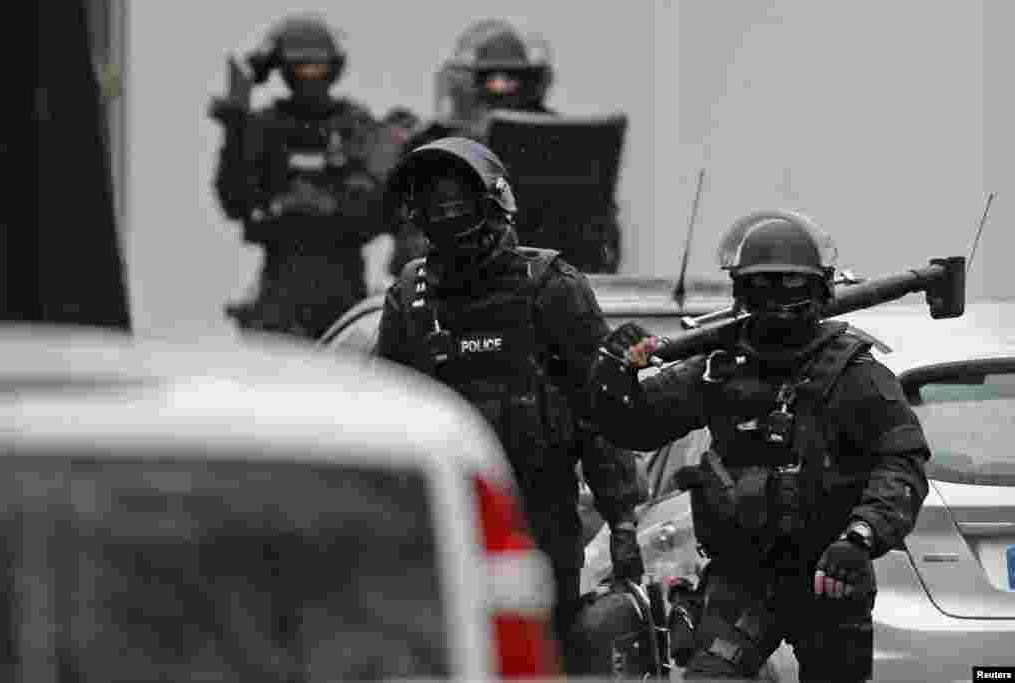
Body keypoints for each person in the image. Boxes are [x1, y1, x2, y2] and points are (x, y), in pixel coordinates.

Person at [590, 210, 931, 682]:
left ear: (819, 289)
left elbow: (903, 463)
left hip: (828, 576)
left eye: (790, 284)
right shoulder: (718, 369)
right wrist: (613, 369)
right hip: (742, 581)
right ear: (740, 292)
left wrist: (861, 537)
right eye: (761, 285)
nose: (775, 299)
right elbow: (634, 428)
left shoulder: (855, 373)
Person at [373, 137, 644, 669]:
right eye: (436, 204)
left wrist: (624, 521)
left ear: (493, 201)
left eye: (459, 202)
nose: (448, 215)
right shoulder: (410, 296)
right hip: (444, 528)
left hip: (542, 525)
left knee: (541, 660)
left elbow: (602, 409)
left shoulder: (549, 285)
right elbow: (385, 418)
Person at [387, 19, 622, 277]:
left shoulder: (564, 144)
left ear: (532, 82)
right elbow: (406, 239)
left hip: (546, 285)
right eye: (492, 79)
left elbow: (602, 239)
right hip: (456, 290)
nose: (502, 88)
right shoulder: (434, 145)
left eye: (512, 79)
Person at [211, 15, 397, 339]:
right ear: (283, 69)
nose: (310, 77)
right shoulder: (262, 126)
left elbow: (382, 212)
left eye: (318, 68)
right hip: (280, 286)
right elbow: (234, 200)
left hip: (343, 286)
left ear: (334, 68)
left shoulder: (357, 125)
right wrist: (236, 116)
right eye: (301, 68)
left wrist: (328, 206)